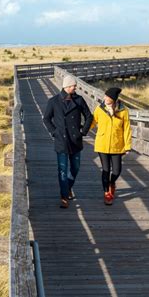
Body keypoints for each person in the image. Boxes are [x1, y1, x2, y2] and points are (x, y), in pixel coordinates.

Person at [43, 75, 93, 208]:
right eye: (73, 86)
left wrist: (83, 132)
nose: (75, 88)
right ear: (66, 86)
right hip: (61, 141)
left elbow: (89, 116)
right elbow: (46, 119)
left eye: (75, 86)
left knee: (75, 168)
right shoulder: (53, 101)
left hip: (75, 140)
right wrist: (54, 132)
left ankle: (68, 187)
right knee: (62, 170)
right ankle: (64, 196)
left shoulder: (79, 100)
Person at [91, 87, 132, 205]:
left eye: (107, 97)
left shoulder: (123, 111)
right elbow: (93, 122)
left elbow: (127, 129)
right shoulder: (100, 109)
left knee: (117, 170)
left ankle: (111, 183)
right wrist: (82, 132)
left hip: (117, 145)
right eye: (105, 96)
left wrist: (127, 145)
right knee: (105, 169)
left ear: (113, 99)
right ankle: (107, 193)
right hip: (102, 144)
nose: (104, 98)